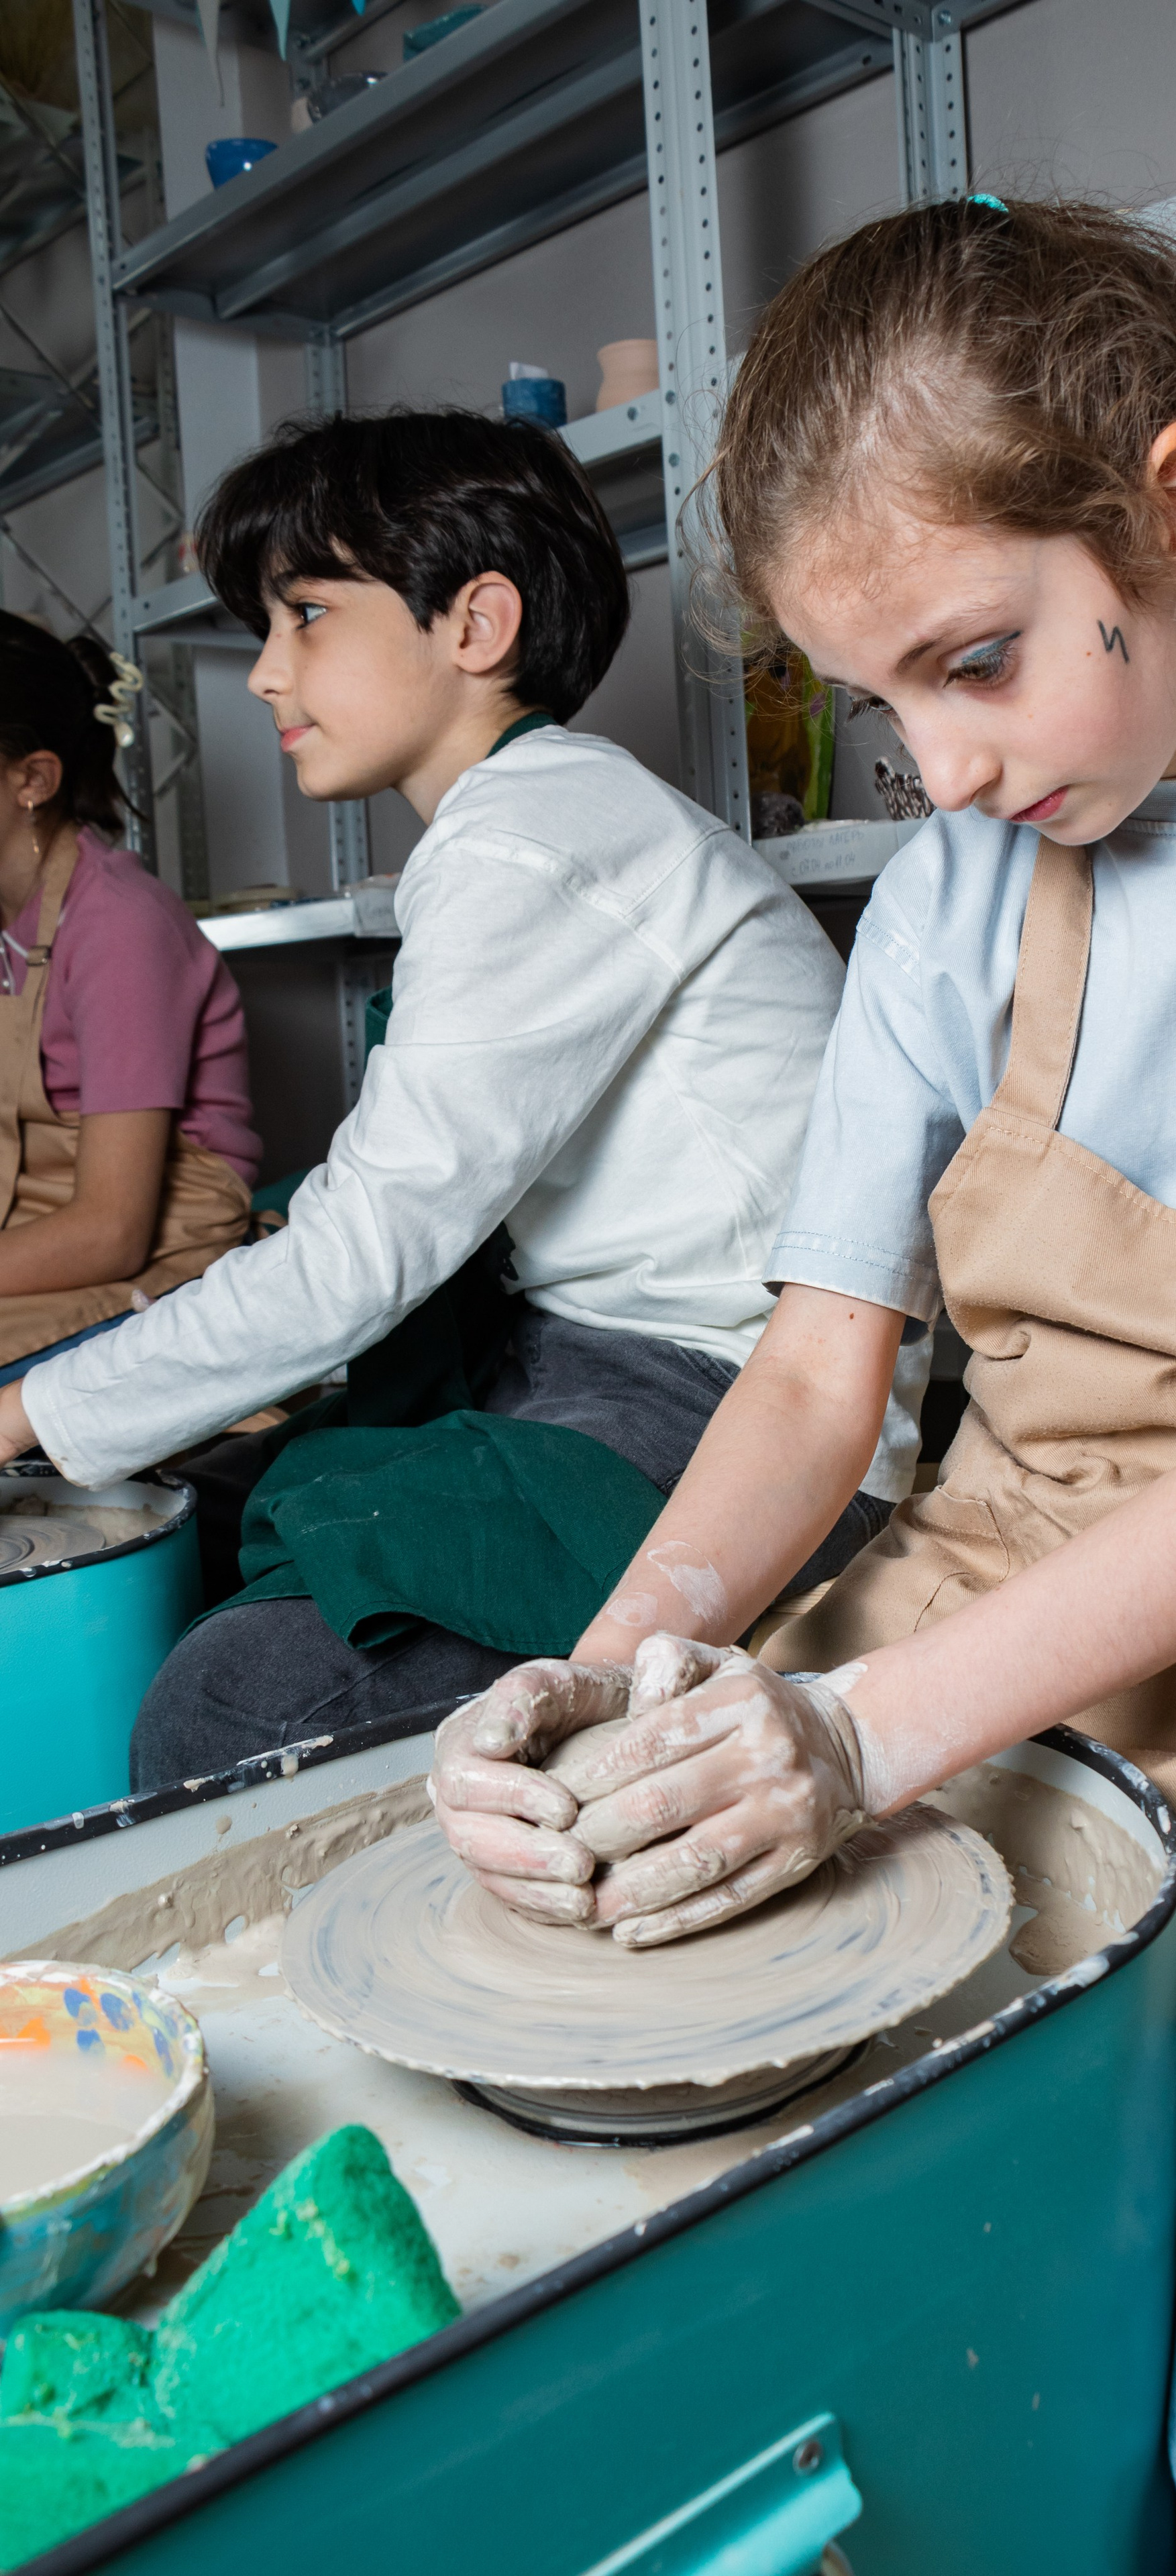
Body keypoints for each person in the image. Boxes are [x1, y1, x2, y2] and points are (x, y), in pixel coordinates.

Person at [428, 204, 1176, 2567]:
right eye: (886, 704)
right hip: (991, 1568)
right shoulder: (949, 892)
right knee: (768, 2255)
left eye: (977, 662)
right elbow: (815, 1376)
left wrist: (857, 1744)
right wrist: (610, 1678)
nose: (944, 766)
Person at [0, 409, 920, 1776]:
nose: (264, 673)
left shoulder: (537, 834)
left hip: (727, 1400)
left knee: (227, 1712)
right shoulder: (517, 821)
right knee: (188, 1505)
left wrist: (19, 1408)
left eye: (305, 615)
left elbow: (359, 1257)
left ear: (475, 624)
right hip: (565, 1345)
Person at [0, 614, 256, 1384]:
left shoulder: (118, 925)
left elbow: (112, 1231)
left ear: (33, 782)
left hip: (152, 1252)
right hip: (37, 1236)